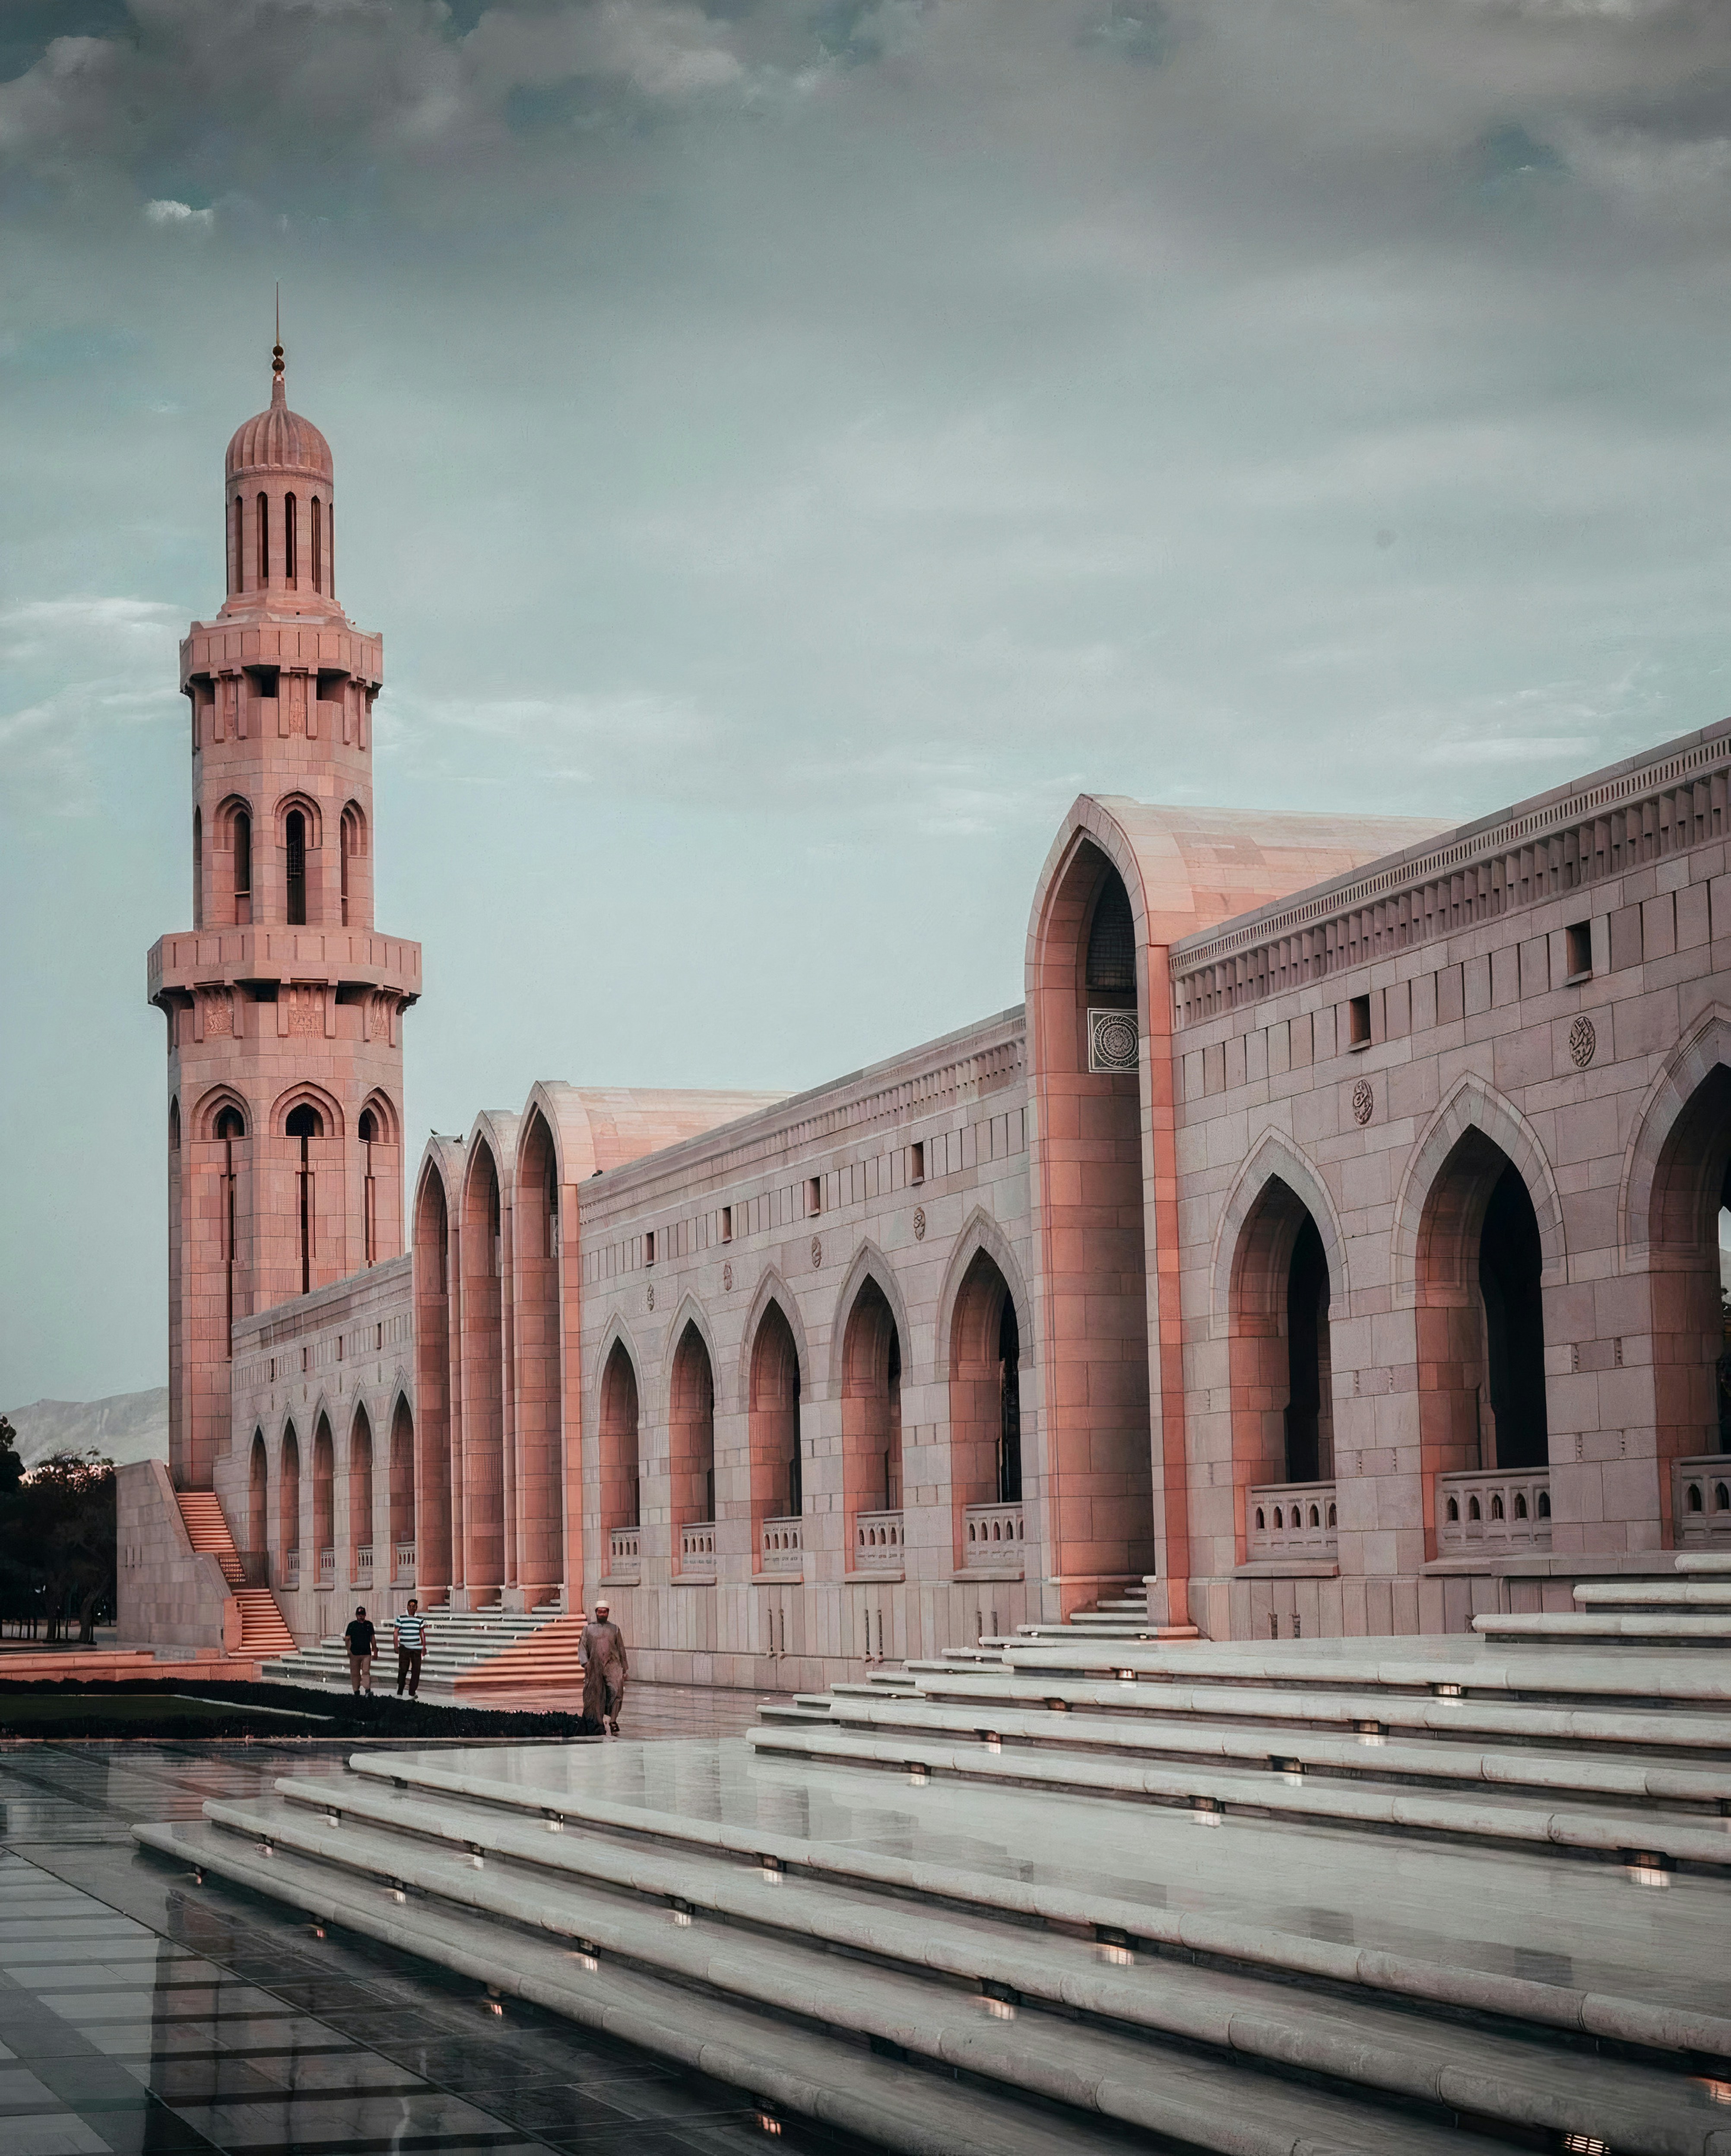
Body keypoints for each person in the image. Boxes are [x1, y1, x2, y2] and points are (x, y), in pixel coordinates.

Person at [578, 1598, 628, 1735]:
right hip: (594, 1666)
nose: (602, 1614)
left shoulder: (614, 1629)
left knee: (617, 1692)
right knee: (596, 1695)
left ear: (608, 1613)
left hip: (613, 1665)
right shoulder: (588, 1630)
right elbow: (582, 1647)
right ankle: (598, 1724)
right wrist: (585, 1663)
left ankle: (613, 1720)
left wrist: (624, 1668)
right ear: (596, 1612)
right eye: (600, 1611)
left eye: (604, 1612)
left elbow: (621, 1649)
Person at [393, 1598, 428, 1698]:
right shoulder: (401, 1618)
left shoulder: (420, 1620)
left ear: (416, 1608)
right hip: (404, 1647)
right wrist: (396, 1645)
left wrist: (424, 1646)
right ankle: (400, 1692)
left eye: (414, 1606)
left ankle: (412, 1693)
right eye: (410, 1606)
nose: (411, 1608)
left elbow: (422, 1633)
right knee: (403, 1669)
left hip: (416, 1648)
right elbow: (396, 1632)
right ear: (407, 1607)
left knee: (416, 1670)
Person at [344, 1604, 376, 1694]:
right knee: (355, 1673)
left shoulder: (369, 1625)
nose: (360, 1616)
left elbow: (372, 1638)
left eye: (362, 1615)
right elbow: (347, 1638)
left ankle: (367, 1690)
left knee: (366, 1672)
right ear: (356, 1615)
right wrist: (348, 1650)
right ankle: (356, 1691)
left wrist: (375, 1649)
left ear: (365, 1615)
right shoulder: (352, 1625)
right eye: (359, 1615)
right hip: (355, 1653)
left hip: (366, 1653)